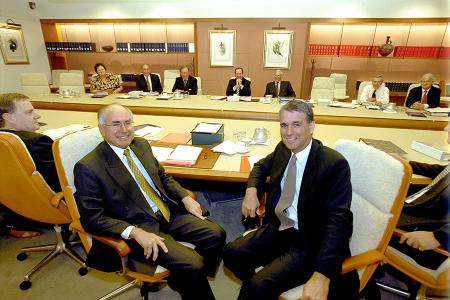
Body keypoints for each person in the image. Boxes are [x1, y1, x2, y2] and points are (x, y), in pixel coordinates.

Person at [74, 104, 225, 300]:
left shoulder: (141, 144)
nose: (125, 130)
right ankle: (191, 277)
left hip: (165, 211)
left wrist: (184, 197)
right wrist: (134, 232)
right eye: (116, 124)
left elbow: (162, 176)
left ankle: (184, 279)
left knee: (216, 234)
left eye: (128, 123)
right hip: (138, 225)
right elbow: (91, 218)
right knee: (193, 263)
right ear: (102, 129)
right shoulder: (89, 167)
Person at [223, 100, 359, 300]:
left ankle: (257, 289)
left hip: (308, 239)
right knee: (231, 253)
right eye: (284, 125)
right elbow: (261, 166)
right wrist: (251, 191)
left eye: (297, 124)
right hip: (279, 226)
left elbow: (339, 223)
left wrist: (322, 275)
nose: (288, 132)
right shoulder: (284, 149)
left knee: (257, 286)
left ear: (311, 127)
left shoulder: (333, 164)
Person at [390, 121, 449, 270]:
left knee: (350, 221)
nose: (445, 127)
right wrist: (409, 164)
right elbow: (443, 171)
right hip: (419, 210)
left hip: (426, 236)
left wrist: (438, 237)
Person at [0, 93, 61, 237]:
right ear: (9, 117)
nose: (38, 115)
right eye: (29, 112)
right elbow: (60, 180)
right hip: (49, 207)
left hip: (17, 206)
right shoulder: (37, 141)